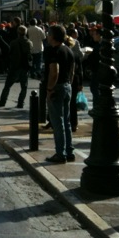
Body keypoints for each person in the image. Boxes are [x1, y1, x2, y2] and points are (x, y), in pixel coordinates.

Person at [44, 25, 76, 163]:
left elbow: (54, 71)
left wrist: (50, 88)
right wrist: (68, 83)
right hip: (67, 85)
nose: (47, 35)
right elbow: (72, 71)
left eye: (49, 33)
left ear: (53, 36)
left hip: (57, 87)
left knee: (57, 123)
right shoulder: (68, 50)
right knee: (66, 121)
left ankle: (60, 154)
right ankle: (69, 151)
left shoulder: (54, 51)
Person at [0, 25, 32, 108]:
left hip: (15, 66)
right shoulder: (29, 42)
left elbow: (10, 53)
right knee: (24, 86)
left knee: (7, 85)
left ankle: (2, 101)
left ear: (18, 33)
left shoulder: (14, 42)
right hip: (25, 66)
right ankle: (20, 103)